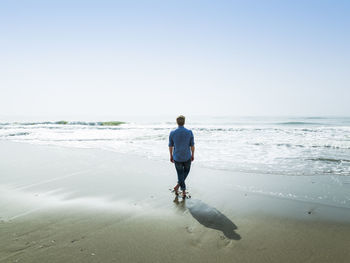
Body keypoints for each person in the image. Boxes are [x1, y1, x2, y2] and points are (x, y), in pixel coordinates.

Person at [168, 115, 195, 198]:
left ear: (177, 122)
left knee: (180, 174)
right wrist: (193, 155)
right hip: (187, 156)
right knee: (185, 173)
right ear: (184, 122)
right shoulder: (189, 132)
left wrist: (171, 156)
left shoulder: (172, 133)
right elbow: (192, 145)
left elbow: (170, 146)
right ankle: (183, 191)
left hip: (177, 157)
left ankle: (178, 187)